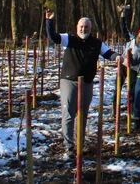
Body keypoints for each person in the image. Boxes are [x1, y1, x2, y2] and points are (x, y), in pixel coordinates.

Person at [45, 9, 121, 160]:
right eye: (81, 26)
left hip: (87, 83)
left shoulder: (96, 43)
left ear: (90, 29)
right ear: (77, 27)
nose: (83, 29)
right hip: (69, 81)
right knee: (68, 114)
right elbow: (53, 37)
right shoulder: (69, 39)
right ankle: (69, 147)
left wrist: (118, 57)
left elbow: (108, 53)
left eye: (86, 27)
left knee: (83, 114)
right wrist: (49, 21)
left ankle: (80, 142)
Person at [115, 4, 140, 112]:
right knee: (118, 86)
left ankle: (131, 109)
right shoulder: (132, 40)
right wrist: (123, 14)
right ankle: (115, 109)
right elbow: (124, 28)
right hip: (124, 65)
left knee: (132, 90)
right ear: (138, 33)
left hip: (134, 68)